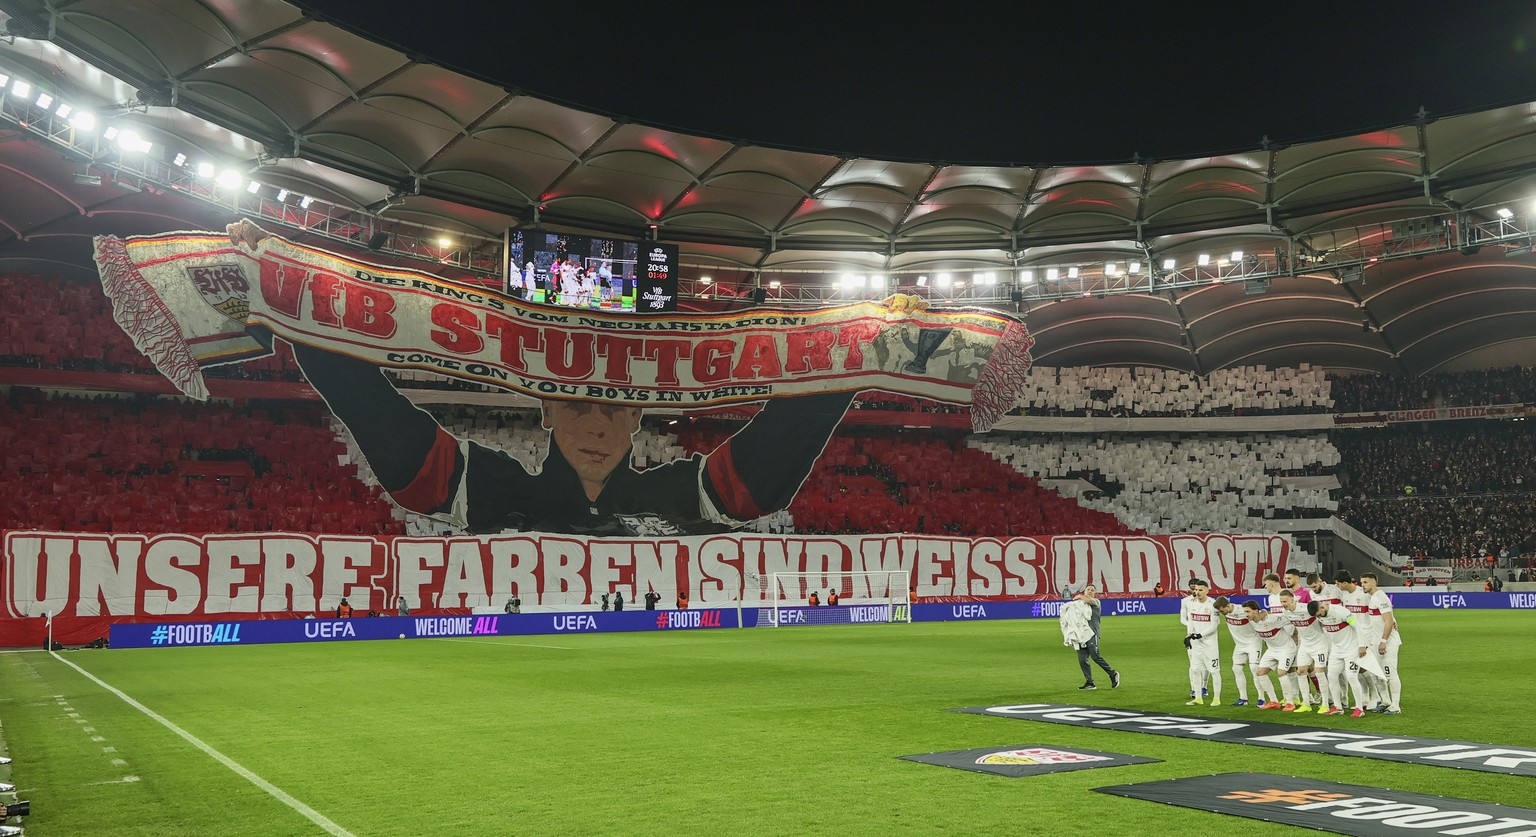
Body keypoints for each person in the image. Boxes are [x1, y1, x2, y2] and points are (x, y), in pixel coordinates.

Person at [1308, 599, 1374, 717]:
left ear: (1322, 607)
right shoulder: (1320, 615)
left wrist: (1362, 645)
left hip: (1351, 649)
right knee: (1332, 676)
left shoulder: (1341, 611)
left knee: (1351, 677)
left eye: (1318, 614)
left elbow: (1357, 626)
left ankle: (1359, 709)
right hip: (1337, 650)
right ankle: (1338, 707)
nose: (1318, 617)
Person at [1360, 573, 1403, 714]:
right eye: (1362, 582)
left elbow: (1388, 621)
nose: (1363, 585)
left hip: (1387, 643)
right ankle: (1386, 701)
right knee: (1378, 674)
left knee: (1390, 674)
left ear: (1374, 583)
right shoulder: (1373, 598)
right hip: (1376, 642)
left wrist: (1383, 641)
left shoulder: (1380, 597)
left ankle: (1395, 706)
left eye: (1366, 582)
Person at [1278, 589, 1328, 713]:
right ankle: (1306, 703)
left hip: (1319, 644)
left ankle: (1325, 704)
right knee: (1300, 672)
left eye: (1285, 601)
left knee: (1320, 673)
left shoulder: (1306, 609)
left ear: (1292, 599)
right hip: (1305, 645)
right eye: (1281, 602)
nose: (1283, 604)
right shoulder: (1286, 613)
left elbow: (1323, 616)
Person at [1242, 600, 1296, 709]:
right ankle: (1273, 701)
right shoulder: (1251, 621)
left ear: (1256, 611)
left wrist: (1296, 634)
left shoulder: (1273, 619)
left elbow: (1290, 618)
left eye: (1248, 611)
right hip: (1272, 650)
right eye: (1245, 612)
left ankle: (1290, 703)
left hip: (1286, 648)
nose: (1246, 614)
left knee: (1281, 672)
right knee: (1260, 672)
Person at [1067, 584, 1120, 691]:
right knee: (1082, 660)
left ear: (1095, 593)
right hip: (1081, 636)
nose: (1090, 591)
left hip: (1092, 634)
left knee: (1095, 656)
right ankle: (1090, 682)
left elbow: (1089, 600)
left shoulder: (1096, 602)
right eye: (1088, 590)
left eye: (1092, 590)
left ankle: (1113, 673)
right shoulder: (1080, 605)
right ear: (1085, 591)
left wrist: (1080, 596)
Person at [1179, 579, 1222, 706]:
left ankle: (1216, 699)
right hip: (1196, 643)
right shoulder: (1191, 604)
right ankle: (1198, 698)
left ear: (1207, 590)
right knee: (1195, 669)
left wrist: (1200, 635)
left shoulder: (1212, 605)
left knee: (1214, 670)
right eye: (1196, 590)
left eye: (1200, 590)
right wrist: (1189, 635)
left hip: (1210, 644)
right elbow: (1191, 620)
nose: (1197, 592)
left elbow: (1214, 626)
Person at [1215, 596, 1260, 707]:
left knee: (1254, 669)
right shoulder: (1226, 613)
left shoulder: (1243, 610)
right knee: (1236, 669)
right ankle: (1243, 698)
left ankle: (1261, 698)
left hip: (1253, 642)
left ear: (1228, 606)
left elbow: (1259, 613)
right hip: (1239, 645)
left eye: (1222, 611)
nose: (1221, 613)